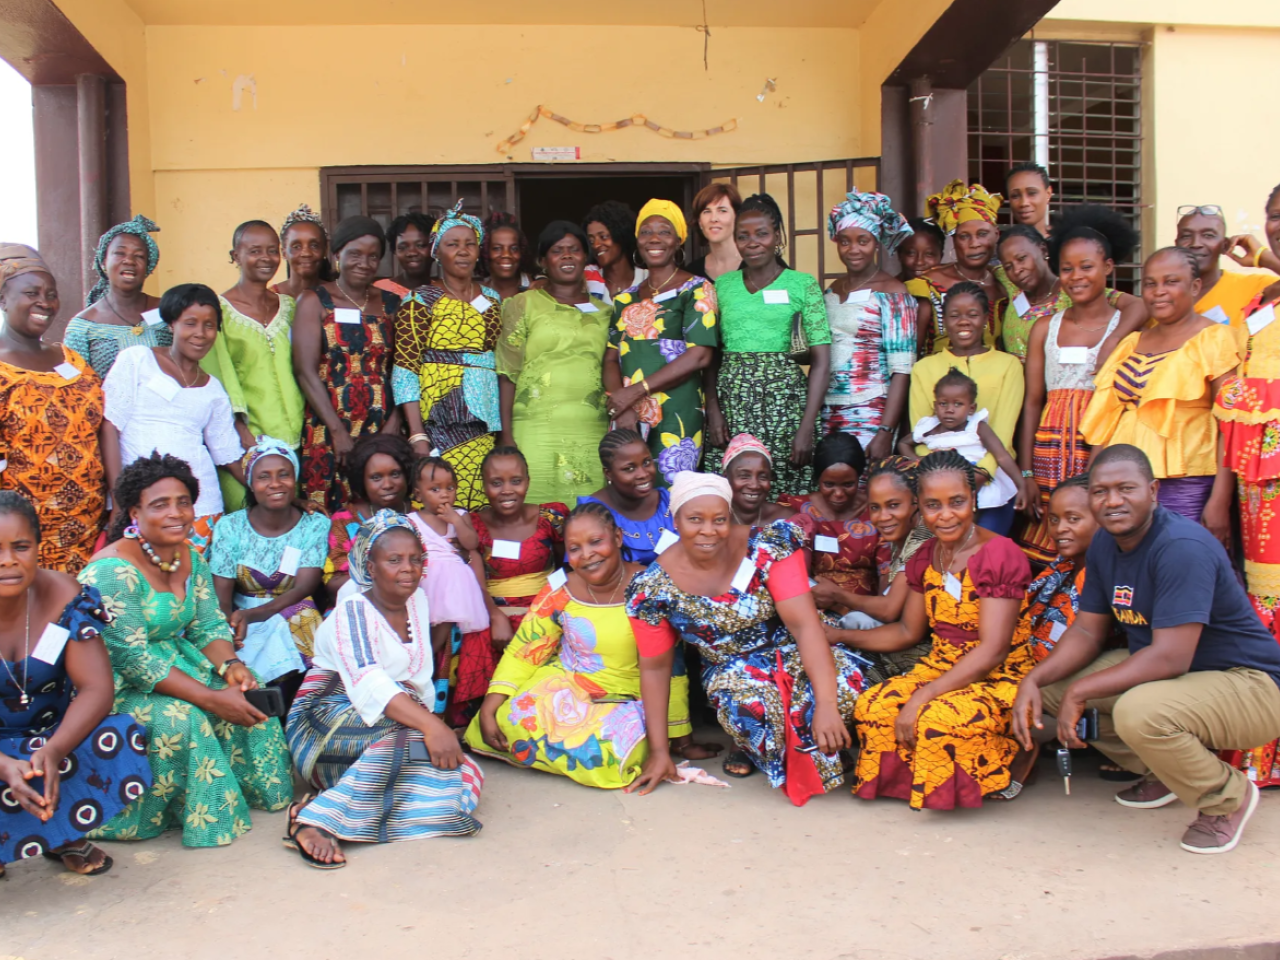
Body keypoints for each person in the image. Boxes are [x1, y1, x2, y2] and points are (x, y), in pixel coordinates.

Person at [1012, 445, 1280, 854]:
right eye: (1101, 491)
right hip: (1184, 675)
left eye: (1126, 488)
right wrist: (1035, 679)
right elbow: (1087, 631)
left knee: (1139, 711)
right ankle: (1168, 771)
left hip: (1251, 685)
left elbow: (1171, 656)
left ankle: (1226, 797)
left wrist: (1081, 693)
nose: (1113, 500)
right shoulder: (1106, 546)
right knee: (1052, 686)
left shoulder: (1180, 547)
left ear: (1154, 491)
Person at [79, 454, 293, 847]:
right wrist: (211, 698)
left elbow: (208, 623)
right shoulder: (108, 572)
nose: (177, 513)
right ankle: (175, 814)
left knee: (248, 688)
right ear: (134, 511)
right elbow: (133, 660)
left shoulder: (189, 555)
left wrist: (230, 665)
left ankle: (251, 791)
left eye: (184, 502)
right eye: (160, 504)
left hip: (177, 661)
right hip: (114, 687)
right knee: (186, 717)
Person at [625, 472, 863, 804]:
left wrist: (824, 705)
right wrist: (660, 752)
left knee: (841, 689)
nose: (709, 531)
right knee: (752, 712)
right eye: (695, 519)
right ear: (675, 519)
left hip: (794, 648)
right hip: (731, 669)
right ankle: (820, 754)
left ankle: (821, 746)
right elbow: (654, 670)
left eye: (719, 519)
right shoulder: (651, 589)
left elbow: (805, 627)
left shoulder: (768, 546)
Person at [286, 511, 484, 869]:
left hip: (391, 721)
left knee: (462, 772)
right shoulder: (353, 612)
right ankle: (313, 820)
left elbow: (418, 679)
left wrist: (428, 727)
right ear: (370, 566)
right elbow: (369, 683)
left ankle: (340, 799)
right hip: (324, 722)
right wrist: (432, 726)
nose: (408, 568)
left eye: (415, 559)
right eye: (394, 560)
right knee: (421, 748)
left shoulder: (417, 601)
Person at [848, 451, 1036, 809]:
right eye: (933, 505)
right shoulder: (926, 556)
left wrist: (922, 696)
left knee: (935, 717)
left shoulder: (998, 554)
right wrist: (838, 635)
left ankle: (1009, 756)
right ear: (919, 506)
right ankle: (920, 777)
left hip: (1000, 677)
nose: (945, 515)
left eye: (957, 502)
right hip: (942, 667)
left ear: (974, 501)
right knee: (873, 707)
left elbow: (994, 650)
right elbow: (907, 631)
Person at [465, 501, 685, 787]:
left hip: (628, 697)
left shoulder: (650, 589)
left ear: (618, 538)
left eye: (596, 542)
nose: (587, 555)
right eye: (575, 548)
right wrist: (490, 706)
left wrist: (675, 735)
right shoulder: (560, 590)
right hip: (567, 686)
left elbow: (670, 667)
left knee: (608, 753)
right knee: (504, 721)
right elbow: (525, 651)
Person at [0, 492, 150, 878]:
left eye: (20, 547)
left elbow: (97, 688)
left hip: (51, 739)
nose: (8, 561)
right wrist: (4, 765)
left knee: (116, 736)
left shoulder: (65, 596)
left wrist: (53, 751)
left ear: (37, 547)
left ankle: (63, 834)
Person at [1015, 208, 1147, 564]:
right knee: (1053, 532)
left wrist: (1113, 339)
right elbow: (1032, 403)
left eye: (1086, 266)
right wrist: (1026, 470)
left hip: (1102, 445)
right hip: (1050, 450)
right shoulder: (1045, 328)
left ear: (1108, 267)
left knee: (1101, 522)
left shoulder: (1128, 326)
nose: (1076, 276)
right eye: (1067, 268)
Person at [1083, 248, 1241, 540]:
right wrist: (1089, 484)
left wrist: (1220, 499)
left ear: (1195, 286)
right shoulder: (1131, 342)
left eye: (1171, 282)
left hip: (1188, 482)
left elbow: (1230, 425)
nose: (1159, 292)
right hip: (1123, 486)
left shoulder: (1216, 338)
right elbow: (1107, 420)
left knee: (1183, 564)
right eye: (1151, 283)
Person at [577, 430, 709, 761]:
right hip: (618, 604)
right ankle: (677, 737)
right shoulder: (591, 509)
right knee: (663, 638)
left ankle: (689, 723)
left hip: (677, 595)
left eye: (646, 463)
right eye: (629, 468)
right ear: (608, 473)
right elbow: (589, 568)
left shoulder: (668, 500)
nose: (642, 473)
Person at [1213, 184, 1280, 785]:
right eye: (1276, 219)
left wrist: (1261, 256)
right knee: (1262, 596)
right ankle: (1263, 745)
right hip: (1255, 484)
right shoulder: (1262, 301)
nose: (1279, 227)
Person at [101, 282, 247, 553]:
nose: (201, 334)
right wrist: (118, 501)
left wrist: (272, 486)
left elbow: (227, 454)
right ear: (171, 324)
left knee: (191, 589)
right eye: (190, 323)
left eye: (210, 325)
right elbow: (110, 428)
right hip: (144, 506)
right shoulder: (137, 360)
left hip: (200, 509)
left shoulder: (213, 388)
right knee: (142, 586)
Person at [703, 193, 828, 495]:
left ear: (777, 237)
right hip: (733, 404)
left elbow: (822, 361)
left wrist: (807, 426)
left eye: (762, 234)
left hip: (786, 406)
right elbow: (710, 355)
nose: (752, 242)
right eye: (743, 236)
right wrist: (713, 409)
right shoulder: (721, 286)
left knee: (785, 489)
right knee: (734, 489)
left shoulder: (802, 284)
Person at [0, 244, 105, 573]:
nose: (44, 302)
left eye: (51, 293)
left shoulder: (71, 360)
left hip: (89, 527)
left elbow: (101, 427)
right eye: (31, 292)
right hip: (26, 535)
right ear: (2, 299)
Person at [393, 200, 502, 510]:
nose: (463, 251)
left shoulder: (492, 299)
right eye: (453, 244)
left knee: (480, 502)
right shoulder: (420, 300)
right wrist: (416, 434)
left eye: (470, 244)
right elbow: (405, 368)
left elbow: (498, 357)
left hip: (483, 419)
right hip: (438, 419)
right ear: (437, 252)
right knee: (439, 503)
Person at [603, 199, 719, 484]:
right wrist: (624, 406)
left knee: (673, 490)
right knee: (630, 489)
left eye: (664, 231)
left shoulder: (696, 289)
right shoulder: (624, 298)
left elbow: (700, 355)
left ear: (679, 240)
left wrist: (635, 392)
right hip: (628, 415)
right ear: (637, 241)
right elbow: (609, 358)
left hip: (676, 412)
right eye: (646, 231)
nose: (654, 238)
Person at [496, 220, 611, 505]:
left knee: (589, 516)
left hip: (590, 430)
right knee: (535, 513)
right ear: (542, 261)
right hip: (533, 429)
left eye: (574, 250)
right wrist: (506, 435)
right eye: (558, 251)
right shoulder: (522, 304)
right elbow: (507, 373)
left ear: (586, 257)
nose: (567, 256)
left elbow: (612, 366)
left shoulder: (607, 312)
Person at [294, 216, 400, 511]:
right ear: (337, 254)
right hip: (328, 426)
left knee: (382, 506)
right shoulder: (314, 300)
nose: (364, 263)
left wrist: (394, 424)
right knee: (331, 508)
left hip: (382, 426)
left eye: (373, 256)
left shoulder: (392, 304)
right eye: (355, 254)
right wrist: (338, 432)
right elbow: (304, 370)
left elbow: (404, 369)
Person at [456, 447, 566, 727]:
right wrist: (494, 616)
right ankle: (479, 722)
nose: (507, 490)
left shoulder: (550, 518)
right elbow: (471, 576)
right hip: (491, 610)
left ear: (528, 481)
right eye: (496, 483)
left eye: (516, 481)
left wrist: (546, 613)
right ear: (484, 485)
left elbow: (568, 568)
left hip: (542, 610)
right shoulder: (473, 525)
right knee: (477, 638)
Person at [207, 439, 328, 684]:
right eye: (264, 477)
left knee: (303, 615)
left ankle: (300, 702)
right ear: (251, 484)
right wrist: (229, 630)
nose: (275, 484)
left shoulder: (314, 523)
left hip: (291, 612)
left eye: (284, 475)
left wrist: (255, 615)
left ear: (295, 480)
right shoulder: (230, 526)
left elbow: (305, 587)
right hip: (242, 618)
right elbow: (221, 598)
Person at [205, 220, 306, 512]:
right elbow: (219, 374)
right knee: (251, 517)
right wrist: (240, 429)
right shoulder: (219, 310)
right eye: (254, 251)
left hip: (298, 435)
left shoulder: (290, 306)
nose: (266, 258)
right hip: (248, 439)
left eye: (273, 251)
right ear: (235, 256)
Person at [908, 282, 1024, 531]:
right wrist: (939, 476)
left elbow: (1003, 434)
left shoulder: (1009, 365)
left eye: (972, 314)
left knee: (986, 555)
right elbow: (922, 435)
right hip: (938, 479)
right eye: (954, 315)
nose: (963, 322)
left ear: (985, 319)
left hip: (991, 477)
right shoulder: (924, 368)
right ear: (944, 322)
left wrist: (980, 474)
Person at [819, 191, 917, 457]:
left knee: (865, 491)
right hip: (828, 409)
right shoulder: (831, 290)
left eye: (863, 241)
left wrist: (885, 431)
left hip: (871, 409)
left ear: (876, 243)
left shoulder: (893, 293)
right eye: (845, 241)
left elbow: (902, 369)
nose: (853, 250)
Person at [821, 459, 932, 681]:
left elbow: (892, 612)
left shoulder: (924, 539)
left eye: (893, 505)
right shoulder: (903, 535)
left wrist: (838, 599)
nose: (882, 517)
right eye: (875, 507)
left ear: (916, 501)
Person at [905, 369, 1030, 535]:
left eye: (958, 404)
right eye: (943, 403)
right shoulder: (929, 428)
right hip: (945, 484)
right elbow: (903, 443)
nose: (950, 410)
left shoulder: (977, 427)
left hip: (980, 481)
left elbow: (1001, 455)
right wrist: (918, 460)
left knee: (978, 530)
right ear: (935, 406)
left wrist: (1022, 485)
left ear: (971, 408)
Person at [907, 180, 1007, 355]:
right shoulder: (927, 286)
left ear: (996, 235)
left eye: (982, 234)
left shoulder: (1005, 285)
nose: (974, 244)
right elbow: (908, 355)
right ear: (954, 240)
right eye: (964, 236)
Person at [63, 215, 168, 380]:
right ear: (103, 262)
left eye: (139, 256)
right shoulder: (82, 327)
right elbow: (76, 386)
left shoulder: (168, 311)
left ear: (148, 266)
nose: (129, 261)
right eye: (119, 253)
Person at [785, 434, 881, 608]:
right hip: (811, 610)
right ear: (817, 480)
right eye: (829, 484)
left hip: (865, 612)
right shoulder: (794, 508)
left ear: (859, 478)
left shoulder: (876, 511)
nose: (838, 493)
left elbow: (887, 573)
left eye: (848, 484)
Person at [1015, 475, 1101, 665]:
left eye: (1073, 519)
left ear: (1101, 519)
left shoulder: (1105, 580)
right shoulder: (1061, 569)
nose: (1060, 528)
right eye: (1053, 519)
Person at [323, 434, 414, 602]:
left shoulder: (422, 517)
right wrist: (387, 583)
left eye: (395, 474)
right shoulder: (345, 520)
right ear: (361, 480)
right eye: (376, 477)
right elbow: (332, 581)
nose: (387, 485)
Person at [1175, 203, 1275, 337]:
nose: (1196, 243)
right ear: (1176, 245)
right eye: (1186, 236)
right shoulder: (1164, 296)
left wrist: (1262, 257)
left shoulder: (1256, 287)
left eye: (1208, 235)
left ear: (1225, 245)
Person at [720, 433, 795, 528]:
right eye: (744, 476)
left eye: (763, 477)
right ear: (726, 478)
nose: (754, 485)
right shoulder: (712, 519)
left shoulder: (787, 519)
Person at [582, 200, 648, 304]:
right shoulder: (587, 280)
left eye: (603, 237)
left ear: (621, 235)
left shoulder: (647, 279)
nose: (596, 245)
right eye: (591, 241)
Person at [272, 203, 333, 299]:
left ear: (325, 250)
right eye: (296, 247)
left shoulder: (338, 298)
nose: (306, 253)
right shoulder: (269, 298)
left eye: (314, 245)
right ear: (284, 252)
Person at [686, 182, 743, 281]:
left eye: (722, 211)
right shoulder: (692, 273)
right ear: (699, 222)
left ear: (737, 217)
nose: (714, 219)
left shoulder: (756, 266)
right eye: (707, 211)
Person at [374, 212, 436, 299]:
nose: (412, 252)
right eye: (403, 247)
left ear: (434, 248)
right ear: (394, 250)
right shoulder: (380, 289)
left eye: (420, 245)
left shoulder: (444, 293)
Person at [482, 211, 532, 301]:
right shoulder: (479, 295)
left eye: (514, 248)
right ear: (486, 252)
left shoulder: (537, 288)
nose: (506, 255)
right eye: (497, 248)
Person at [1005, 161, 1054, 238]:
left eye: (1032, 193)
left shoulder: (1064, 244)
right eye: (1015, 196)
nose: (1024, 203)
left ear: (1048, 193)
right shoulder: (1005, 247)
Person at [897, 217, 945, 285]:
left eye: (929, 254)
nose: (919, 262)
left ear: (941, 256)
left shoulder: (952, 292)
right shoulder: (887, 292)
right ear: (900, 254)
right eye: (911, 253)